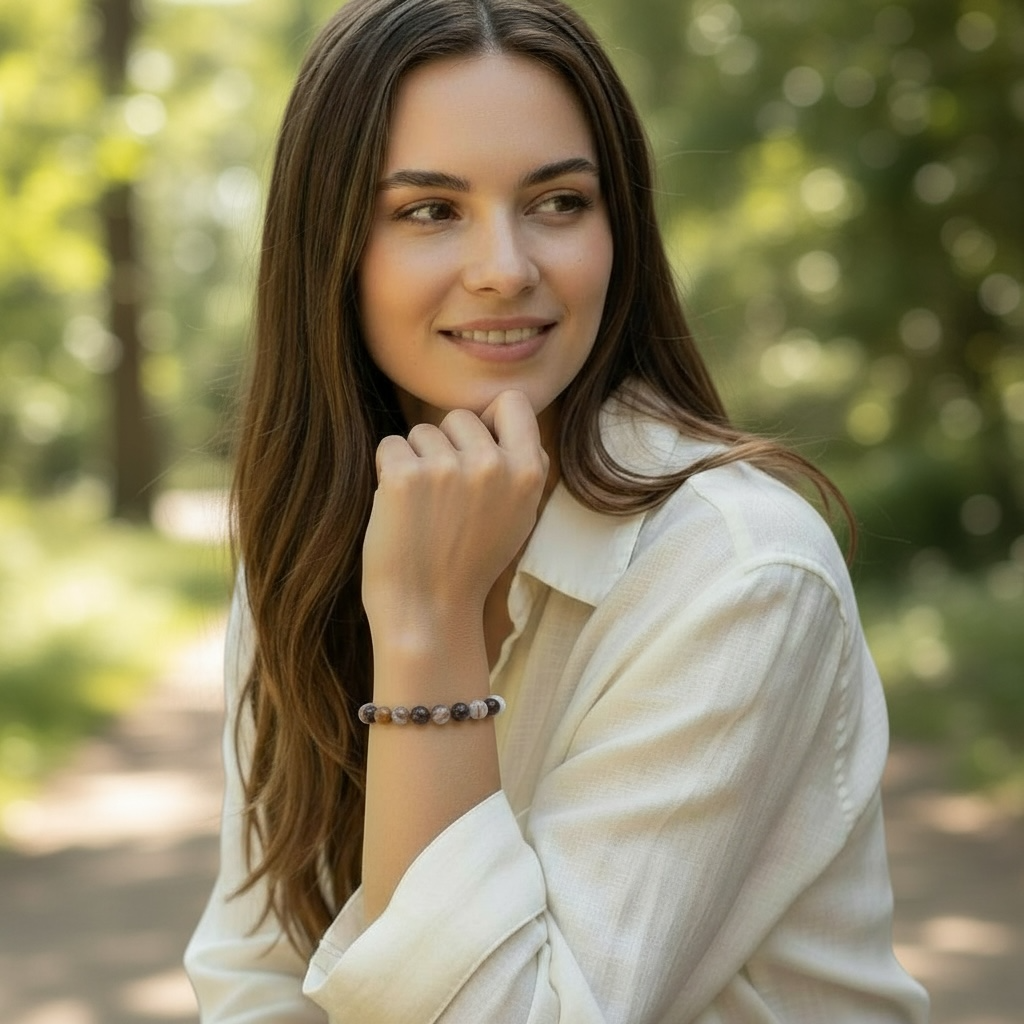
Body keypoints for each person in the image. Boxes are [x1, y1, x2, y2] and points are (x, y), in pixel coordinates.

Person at [185, 0, 930, 1020]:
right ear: (332, 251)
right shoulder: (311, 529)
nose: (506, 268)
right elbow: (254, 965)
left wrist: (426, 625)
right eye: (429, 210)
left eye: (558, 202)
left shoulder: (738, 571)